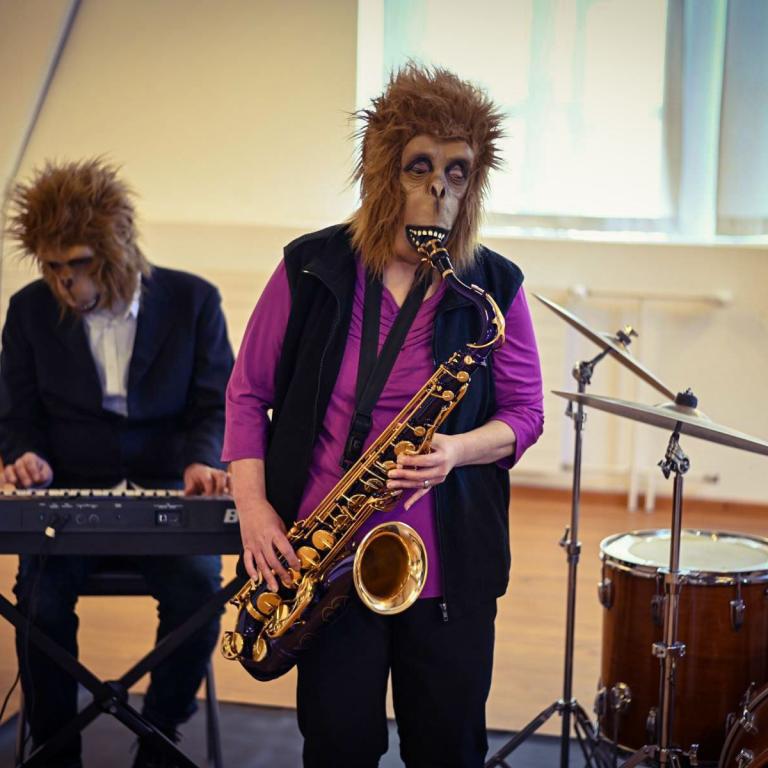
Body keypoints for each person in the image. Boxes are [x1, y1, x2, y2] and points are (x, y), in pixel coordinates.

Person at [224, 65, 544, 768]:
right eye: (419, 166)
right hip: (327, 559)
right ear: (381, 173)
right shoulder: (311, 267)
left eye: (457, 172)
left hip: (451, 562)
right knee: (339, 745)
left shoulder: (494, 286)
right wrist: (253, 509)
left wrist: (457, 450)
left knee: (448, 746)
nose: (439, 190)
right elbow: (247, 393)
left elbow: (525, 414)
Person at [0, 158, 234, 768]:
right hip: (67, 500)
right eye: (51, 267)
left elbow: (215, 403)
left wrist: (202, 461)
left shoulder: (193, 301)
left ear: (117, 248)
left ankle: (158, 734)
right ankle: (56, 745)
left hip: (170, 493)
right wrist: (24, 455)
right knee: (38, 605)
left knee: (198, 594)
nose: (63, 281)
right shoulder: (28, 311)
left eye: (77, 264)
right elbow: (16, 413)